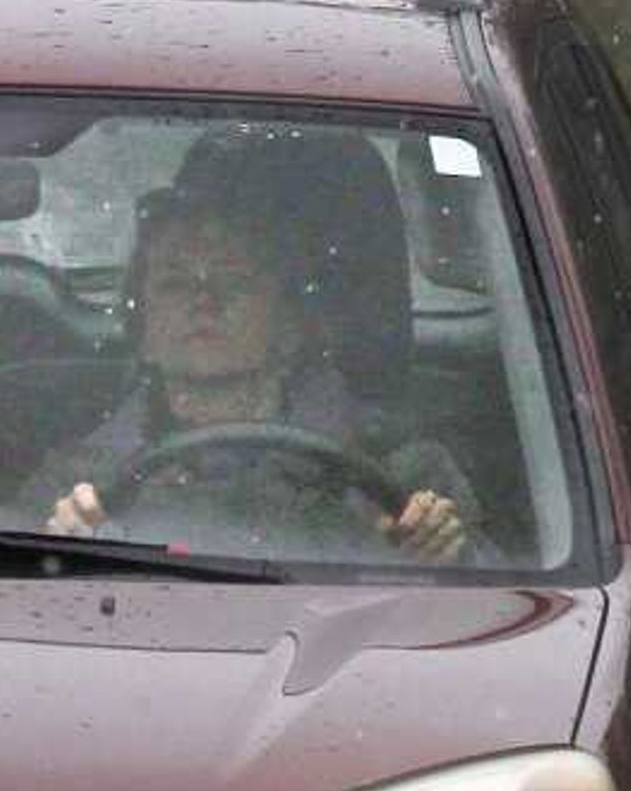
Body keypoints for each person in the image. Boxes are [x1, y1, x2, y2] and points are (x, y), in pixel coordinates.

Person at [34, 181, 474, 564]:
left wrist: (443, 554)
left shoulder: (400, 469)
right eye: (175, 282)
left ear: (290, 322)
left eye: (234, 279)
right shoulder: (75, 482)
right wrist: (55, 552)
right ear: (142, 325)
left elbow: (489, 618)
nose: (204, 300)